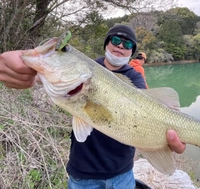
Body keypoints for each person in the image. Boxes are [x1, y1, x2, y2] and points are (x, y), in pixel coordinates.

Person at [0, 25, 186, 189]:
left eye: (128, 44)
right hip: (83, 173)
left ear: (132, 52)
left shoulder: (135, 76)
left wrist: (176, 132)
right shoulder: (87, 69)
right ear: (107, 44)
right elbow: (46, 78)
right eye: (115, 40)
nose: (121, 45)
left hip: (122, 172)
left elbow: (151, 109)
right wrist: (29, 74)